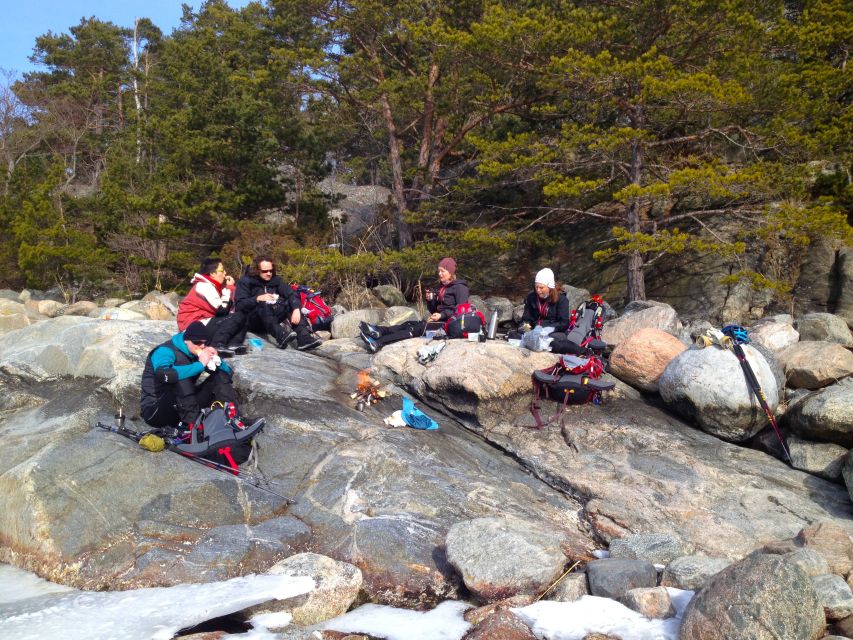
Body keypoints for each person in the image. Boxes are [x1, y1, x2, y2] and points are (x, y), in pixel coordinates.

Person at [140, 321, 240, 429]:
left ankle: (233, 418)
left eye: (205, 343)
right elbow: (165, 375)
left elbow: (228, 374)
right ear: (186, 340)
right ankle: (194, 426)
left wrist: (217, 361)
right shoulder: (165, 351)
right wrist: (200, 364)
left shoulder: (196, 351)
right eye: (197, 342)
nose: (202, 346)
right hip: (156, 410)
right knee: (180, 376)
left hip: (183, 406)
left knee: (219, 375)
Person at [359, 257, 469, 353]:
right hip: (439, 321)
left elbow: (461, 311)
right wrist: (430, 301)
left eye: (442, 271)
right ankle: (379, 331)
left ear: (450, 272)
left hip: (449, 326)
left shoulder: (460, 288)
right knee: (408, 324)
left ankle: (378, 343)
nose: (439, 274)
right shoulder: (441, 287)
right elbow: (433, 310)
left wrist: (442, 315)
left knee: (415, 329)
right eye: (439, 271)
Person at [234, 256, 322, 350]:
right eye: (265, 271)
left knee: (290, 303)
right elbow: (240, 305)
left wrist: (296, 309)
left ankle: (304, 338)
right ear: (256, 270)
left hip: (271, 319)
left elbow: (291, 294)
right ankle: (281, 336)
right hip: (253, 321)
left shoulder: (275, 280)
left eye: (271, 271)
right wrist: (258, 298)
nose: (269, 273)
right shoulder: (245, 282)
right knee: (264, 304)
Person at [176, 257, 247, 354]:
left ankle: (233, 343)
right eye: (222, 271)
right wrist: (229, 288)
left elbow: (231, 308)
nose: (225, 273)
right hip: (192, 329)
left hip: (202, 323)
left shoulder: (212, 286)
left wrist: (230, 289)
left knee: (243, 314)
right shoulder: (203, 286)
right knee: (237, 316)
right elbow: (222, 310)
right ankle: (217, 345)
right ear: (212, 274)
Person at [517, 268, 571, 340]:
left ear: (550, 287)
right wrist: (527, 330)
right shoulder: (532, 297)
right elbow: (526, 319)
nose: (538, 290)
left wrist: (548, 329)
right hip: (534, 329)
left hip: (552, 331)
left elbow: (564, 323)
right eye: (536, 287)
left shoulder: (562, 300)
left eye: (541, 287)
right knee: (518, 332)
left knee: (554, 338)